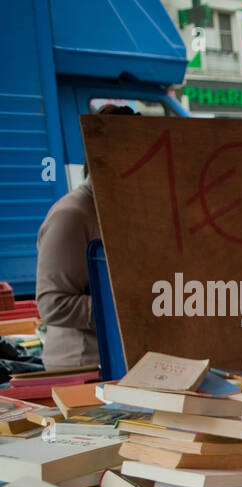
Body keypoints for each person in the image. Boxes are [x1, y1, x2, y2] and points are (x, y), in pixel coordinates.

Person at [34, 104, 137, 371]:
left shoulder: (126, 208)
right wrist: (128, 306)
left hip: (124, 362)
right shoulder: (71, 215)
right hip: (84, 367)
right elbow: (52, 305)